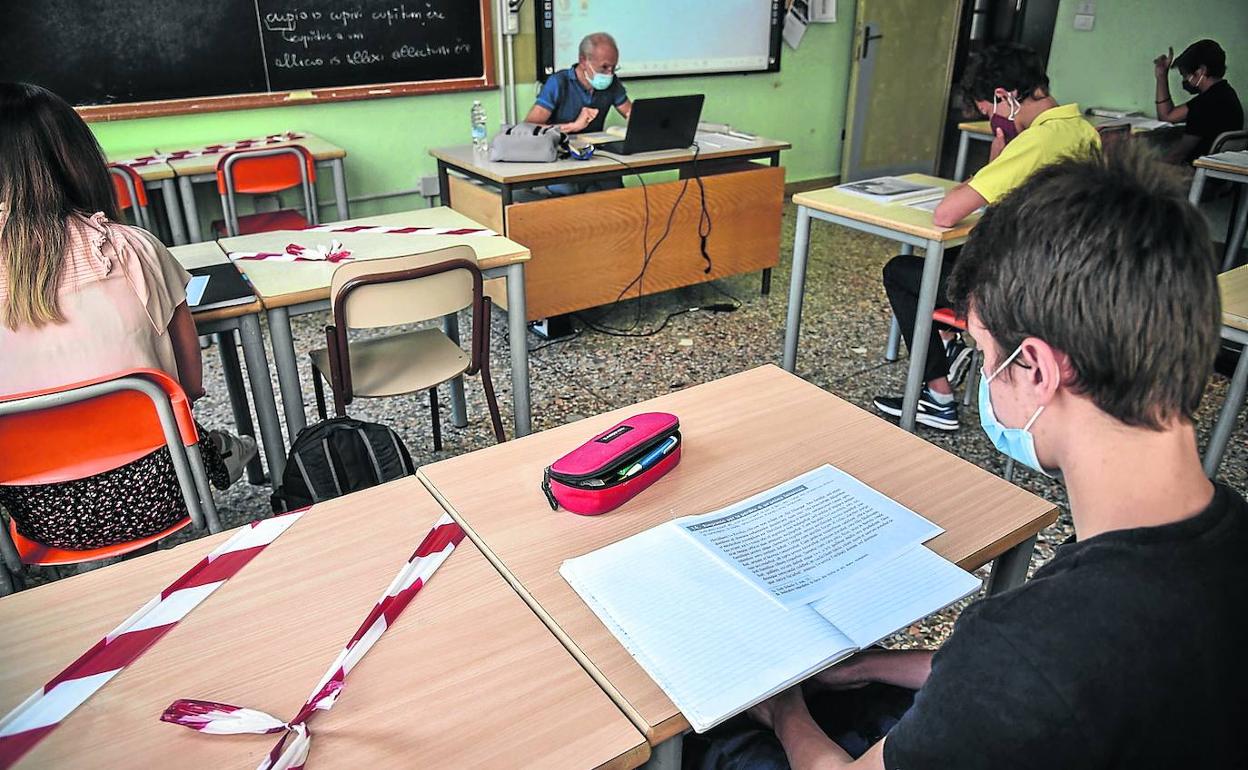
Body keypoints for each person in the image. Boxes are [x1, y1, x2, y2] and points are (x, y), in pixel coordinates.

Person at [700, 145, 1246, 769]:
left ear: (1035, 368)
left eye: (983, 354)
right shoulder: (1211, 545)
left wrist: (785, 709)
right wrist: (873, 666)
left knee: (720, 748)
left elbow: (1020, 677)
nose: (980, 377)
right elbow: (1010, 682)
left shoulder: (1032, 644)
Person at [0, 82, 256, 550]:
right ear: (77, 156)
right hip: (164, 491)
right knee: (220, 441)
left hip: (40, 518)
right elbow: (189, 385)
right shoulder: (133, 248)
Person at [873, 43, 1100, 430]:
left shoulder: (1037, 141)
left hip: (1015, 293)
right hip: (1060, 283)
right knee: (950, 259)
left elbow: (947, 214)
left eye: (989, 112)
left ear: (1003, 97)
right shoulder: (1083, 131)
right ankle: (947, 343)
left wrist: (998, 156)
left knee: (902, 271)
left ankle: (939, 396)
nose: (994, 121)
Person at [1154, 39, 1244, 164]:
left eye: (1185, 75)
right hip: (1221, 175)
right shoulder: (1226, 94)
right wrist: (1161, 75)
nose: (1185, 80)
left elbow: (1177, 156)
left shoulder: (1203, 106)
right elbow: (1168, 116)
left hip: (1199, 176)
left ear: (1201, 71)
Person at [526, 31, 632, 135]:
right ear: (583, 61)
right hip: (560, 148)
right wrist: (573, 126)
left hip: (594, 149)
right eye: (604, 67)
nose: (610, 74)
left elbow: (631, 114)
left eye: (613, 68)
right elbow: (529, 127)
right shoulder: (558, 82)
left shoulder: (612, 82)